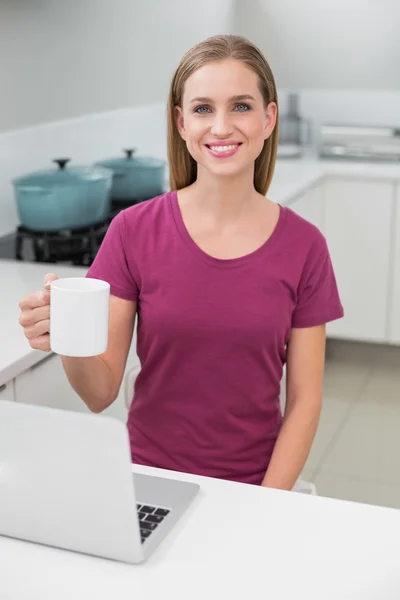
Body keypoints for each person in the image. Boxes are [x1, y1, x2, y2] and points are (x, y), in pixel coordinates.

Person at [18, 34, 344, 490]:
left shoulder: (305, 246)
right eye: (203, 108)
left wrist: (265, 505)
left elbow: (306, 401)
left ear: (269, 118)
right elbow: (99, 393)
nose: (222, 126)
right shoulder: (132, 231)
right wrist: (65, 335)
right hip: (148, 482)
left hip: (255, 488)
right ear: (181, 122)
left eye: (242, 106)